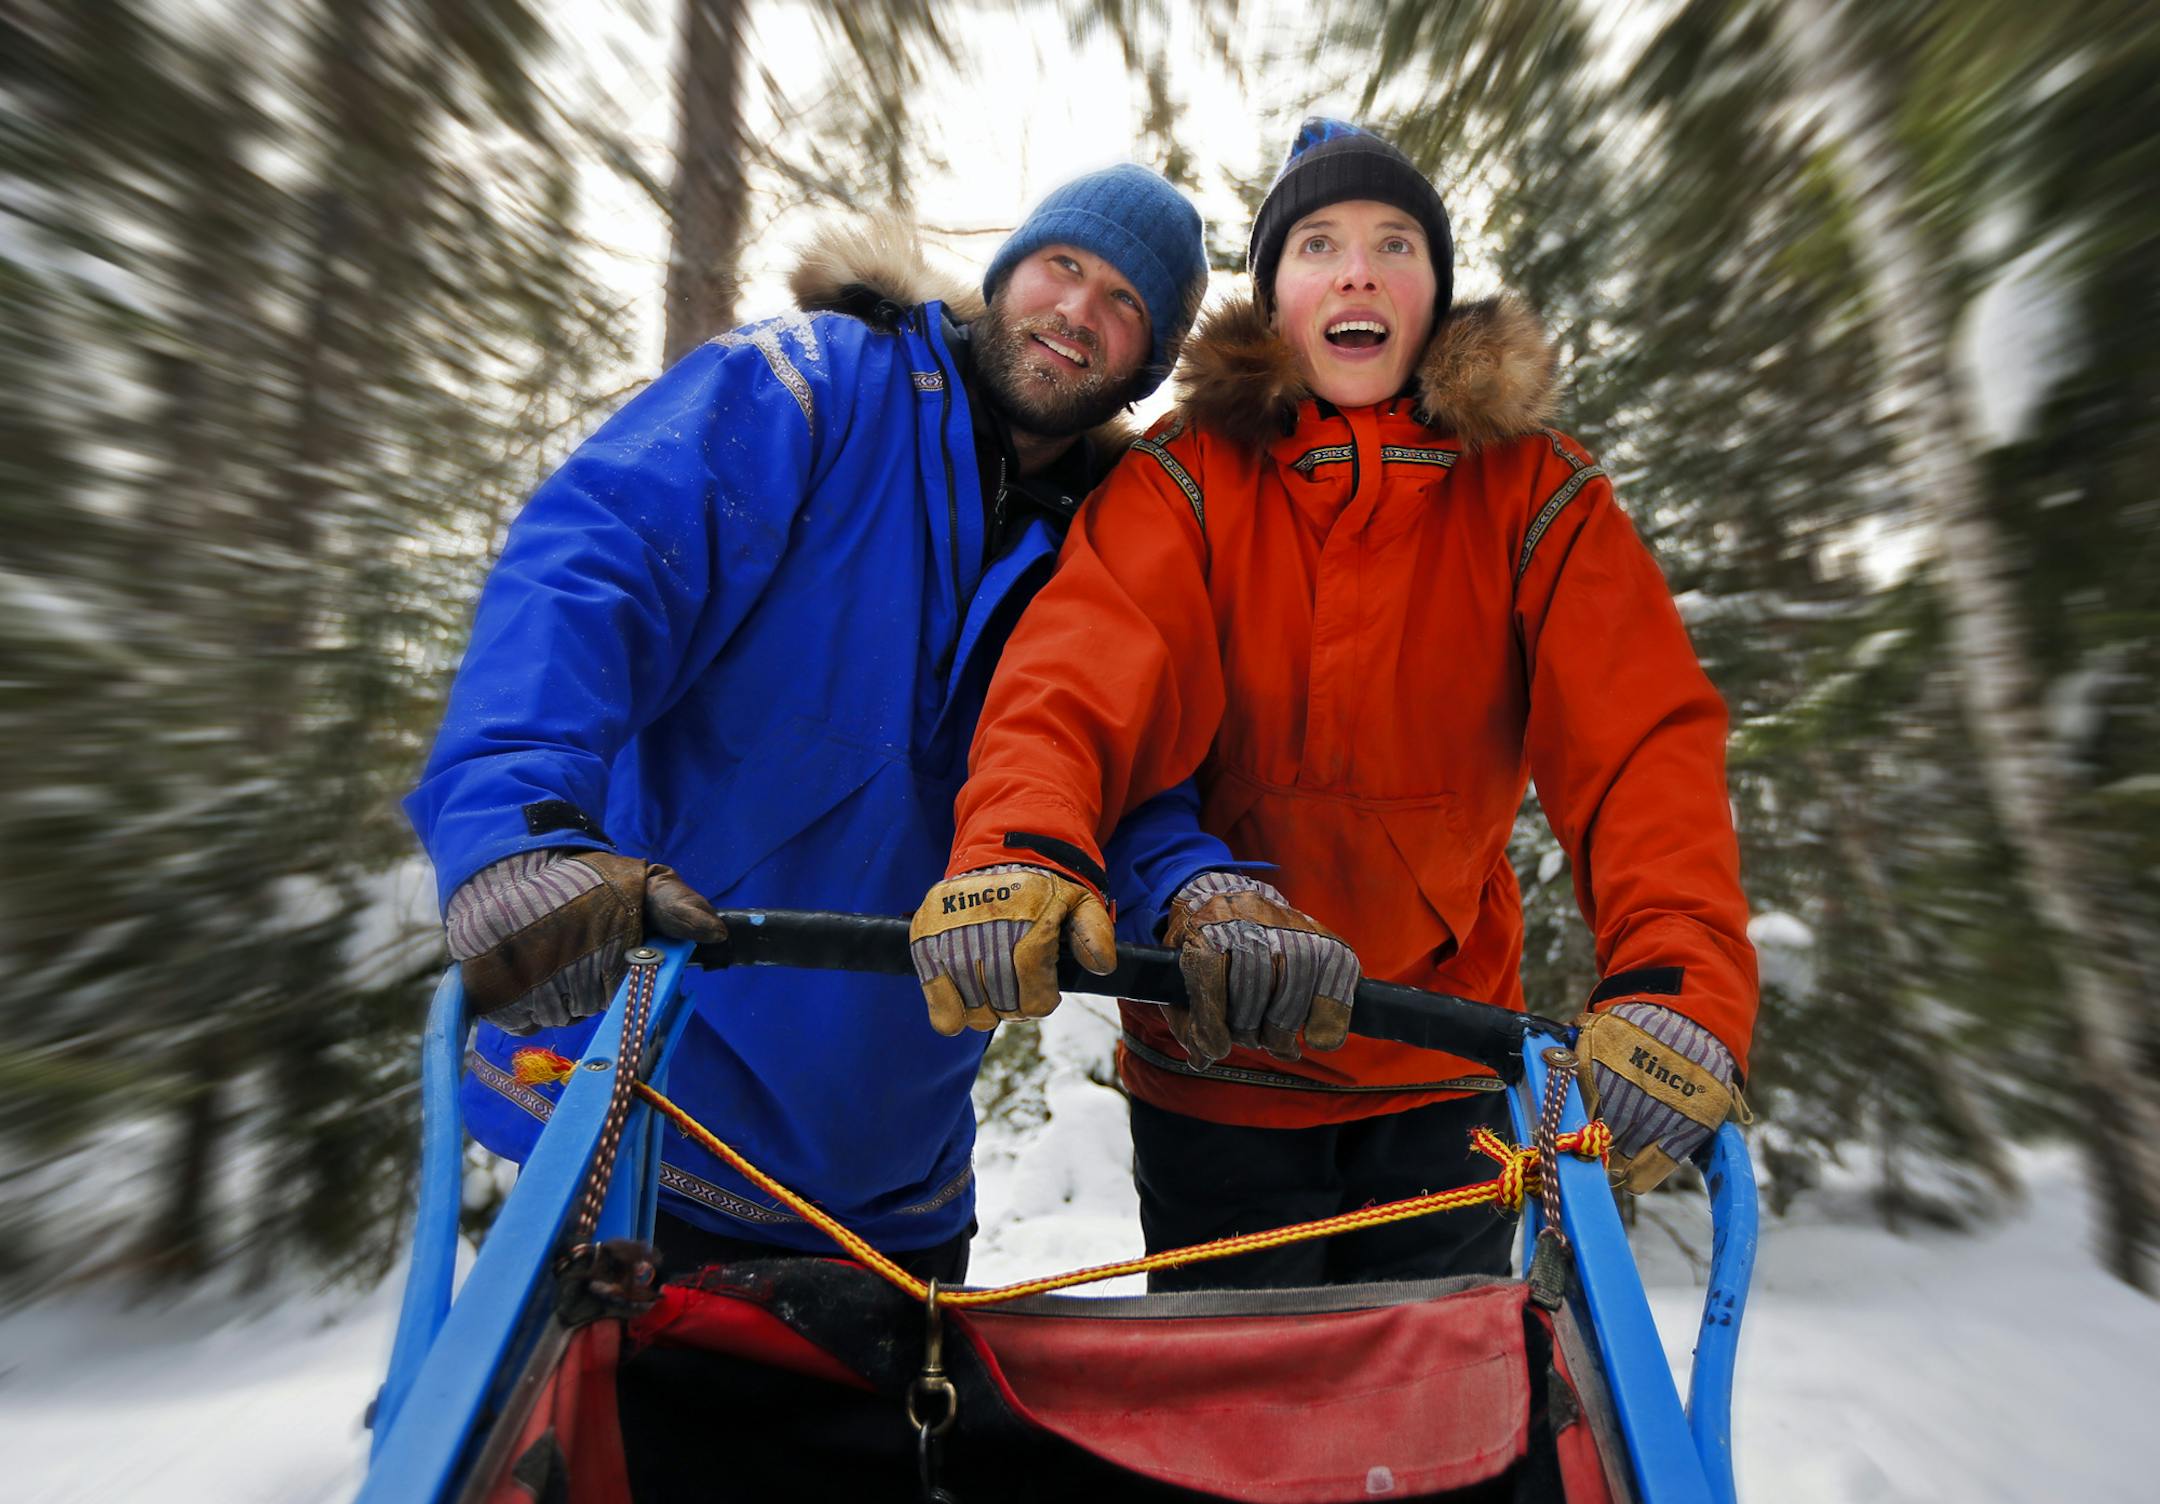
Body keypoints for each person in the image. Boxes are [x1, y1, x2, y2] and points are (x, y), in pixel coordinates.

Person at [911, 119, 1760, 1289]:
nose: (1356, 269)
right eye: (1318, 243)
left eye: (1393, 242)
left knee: (1432, 1421)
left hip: (1445, 1055)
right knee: (1229, 1423)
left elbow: (1640, 743)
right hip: (1218, 1051)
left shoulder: (1535, 494)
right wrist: (1018, 843)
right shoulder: (1188, 477)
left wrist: (1676, 978)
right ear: (1277, 296)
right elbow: (1075, 674)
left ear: (1435, 292)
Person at [407, 165, 1216, 1283]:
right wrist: (516, 824)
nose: (1080, 312)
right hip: (638, 1096)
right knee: (565, 1454)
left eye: (1126, 303)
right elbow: (597, 567)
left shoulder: (1118, 538)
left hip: (891, 1169)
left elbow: (1122, 764)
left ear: (1153, 362)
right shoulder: (819, 382)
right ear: (1007, 273)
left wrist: (1198, 890)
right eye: (1063, 267)